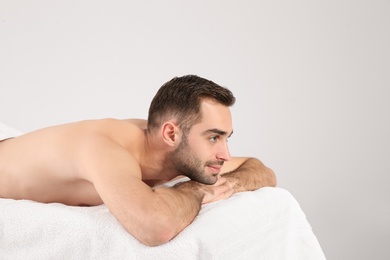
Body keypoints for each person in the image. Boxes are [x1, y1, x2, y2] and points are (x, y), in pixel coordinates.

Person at [0, 75, 276, 246]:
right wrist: (197, 189)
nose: (225, 155)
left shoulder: (175, 148)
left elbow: (261, 170)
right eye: (214, 138)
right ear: (171, 133)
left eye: (226, 138)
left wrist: (230, 184)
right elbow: (156, 227)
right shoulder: (104, 149)